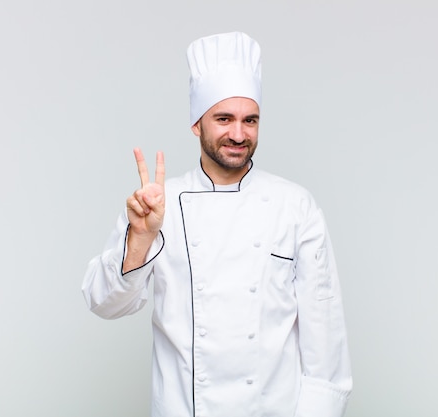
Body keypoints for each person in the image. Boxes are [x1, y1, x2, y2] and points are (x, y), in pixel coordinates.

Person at [82, 31, 352, 417]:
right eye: (223, 119)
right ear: (197, 124)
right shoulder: (159, 203)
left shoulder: (295, 206)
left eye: (250, 120)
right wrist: (139, 239)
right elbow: (104, 303)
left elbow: (326, 344)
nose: (238, 134)